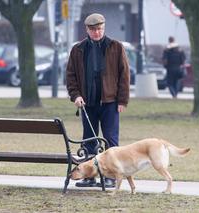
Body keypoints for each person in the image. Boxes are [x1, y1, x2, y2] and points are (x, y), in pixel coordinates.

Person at [66, 13, 130, 188]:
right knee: (89, 140)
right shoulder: (78, 49)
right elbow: (71, 76)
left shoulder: (116, 47)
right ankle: (89, 176)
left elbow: (124, 75)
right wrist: (75, 95)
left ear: (104, 28)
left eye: (100, 29)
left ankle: (111, 176)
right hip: (87, 104)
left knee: (111, 141)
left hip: (110, 103)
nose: (97, 32)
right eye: (93, 30)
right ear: (87, 29)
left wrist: (122, 100)